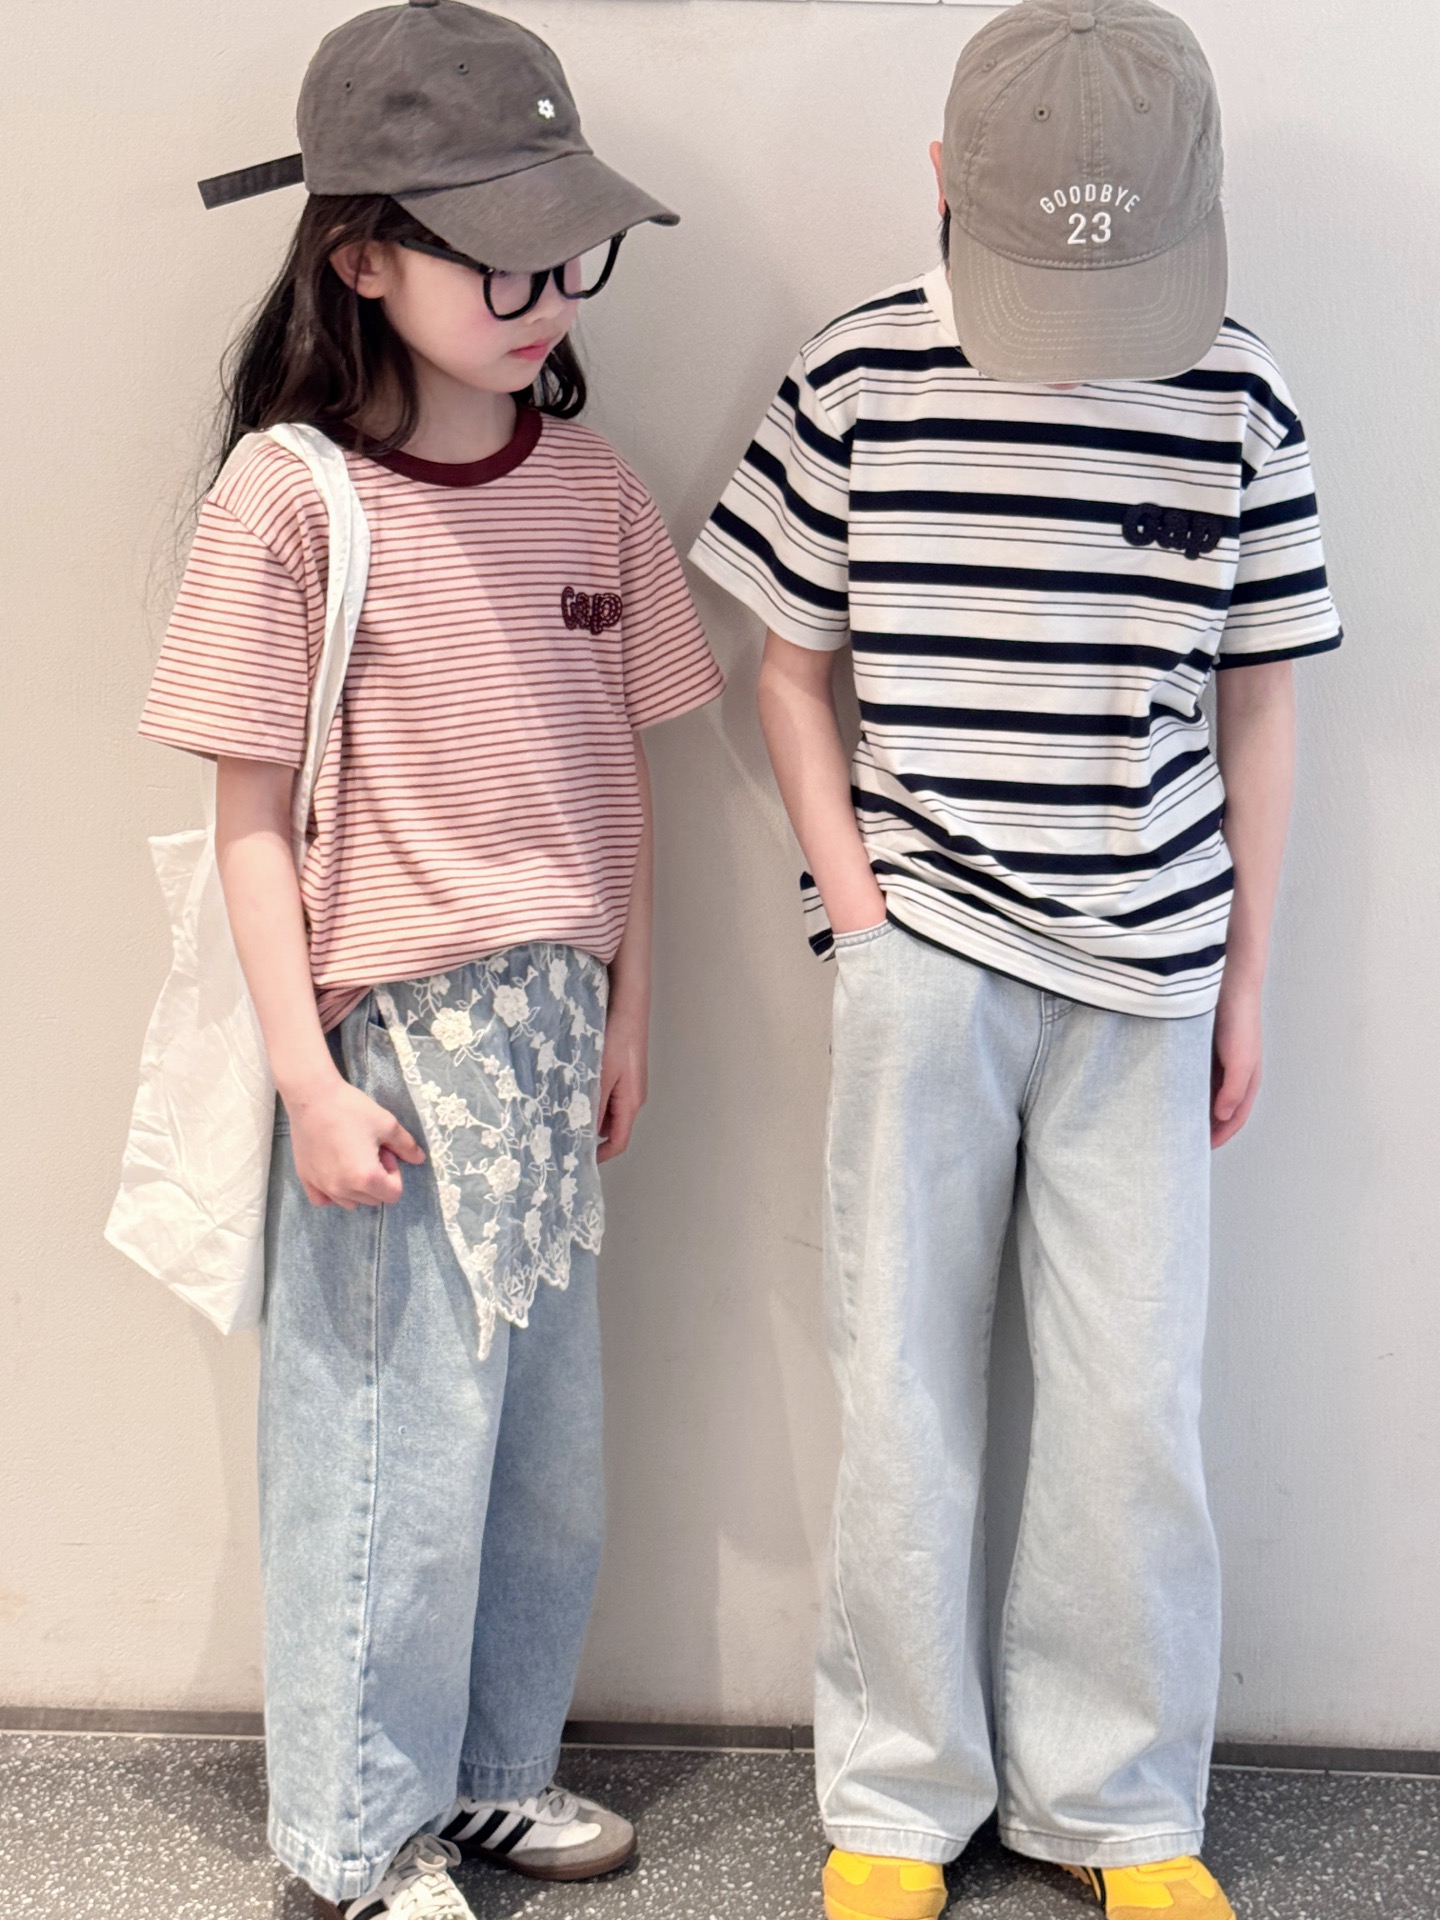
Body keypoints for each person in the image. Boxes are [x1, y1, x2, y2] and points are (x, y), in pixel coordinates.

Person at [692, 4, 1340, 1917]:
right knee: (899, 1380)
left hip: (1152, 965)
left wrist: (1248, 975)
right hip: (927, 956)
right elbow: (787, 667)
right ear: (943, 184)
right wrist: (858, 903)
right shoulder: (859, 373)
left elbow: (1261, 704)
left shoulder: (1238, 395)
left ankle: (1119, 1806)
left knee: (1133, 1404)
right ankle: (897, 1803)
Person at [137, 5, 723, 1915]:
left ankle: (484, 1778)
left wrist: (633, 1009)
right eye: (502, 259)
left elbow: (622, 782)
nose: (546, 298)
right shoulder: (289, 499)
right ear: (362, 259)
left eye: (569, 256)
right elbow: (248, 815)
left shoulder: (595, 489)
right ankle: (352, 1835)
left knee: (544, 1463)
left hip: (556, 1034)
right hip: (387, 1046)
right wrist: (307, 1080)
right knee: (383, 1460)